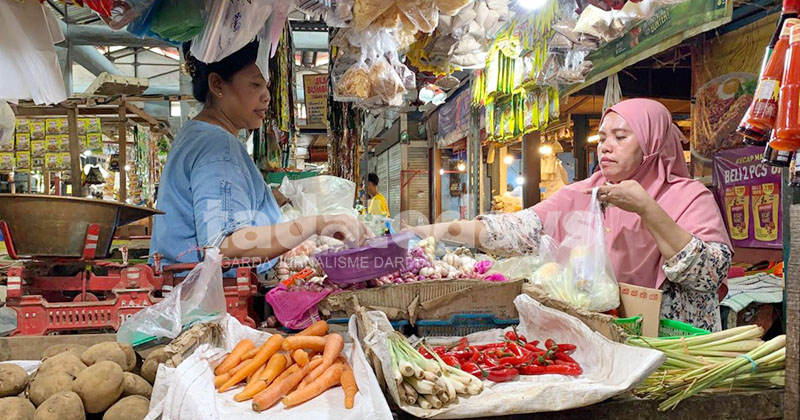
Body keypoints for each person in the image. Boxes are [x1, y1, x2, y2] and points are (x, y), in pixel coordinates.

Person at [411, 99, 732, 331]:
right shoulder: (585, 194)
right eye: (602, 138)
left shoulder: (690, 197)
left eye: (620, 137)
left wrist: (647, 208)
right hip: (609, 339)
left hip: (677, 349)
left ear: (652, 142)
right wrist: (428, 232)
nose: (606, 147)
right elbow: (514, 230)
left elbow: (709, 274)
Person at [150, 40, 371, 271]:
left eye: (266, 86)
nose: (266, 96)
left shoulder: (196, 134)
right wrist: (315, 224)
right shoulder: (218, 146)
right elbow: (226, 246)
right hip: (205, 289)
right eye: (255, 84)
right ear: (217, 85)